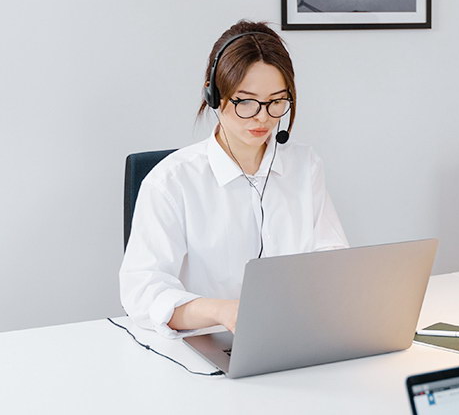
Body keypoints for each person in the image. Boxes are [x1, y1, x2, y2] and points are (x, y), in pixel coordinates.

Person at [119, 20, 349, 337]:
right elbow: (143, 292)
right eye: (246, 101)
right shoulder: (171, 181)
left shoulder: (304, 165)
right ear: (215, 95)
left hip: (294, 334)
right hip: (207, 342)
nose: (263, 117)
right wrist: (222, 311)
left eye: (276, 101)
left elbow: (332, 260)